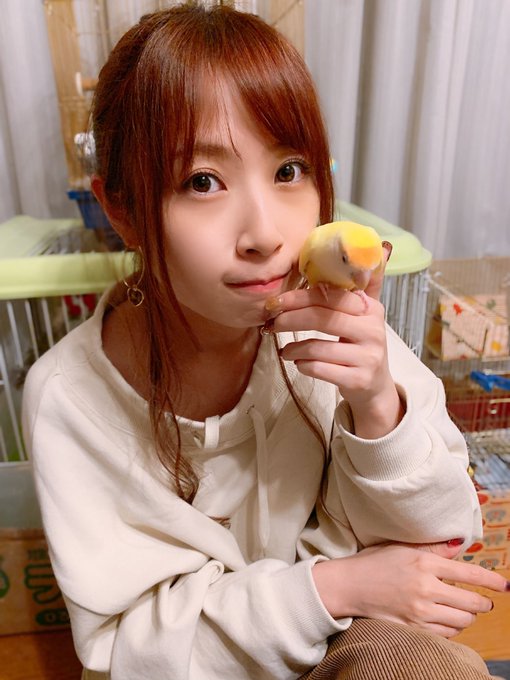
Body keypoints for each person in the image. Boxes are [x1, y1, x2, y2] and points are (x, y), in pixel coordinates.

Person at [22, 4, 508, 680]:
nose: (265, 235)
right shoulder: (70, 398)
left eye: (288, 171)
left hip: (340, 647)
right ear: (123, 211)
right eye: (202, 181)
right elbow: (130, 650)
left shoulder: (330, 321)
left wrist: (376, 407)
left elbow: (440, 548)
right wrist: (337, 586)